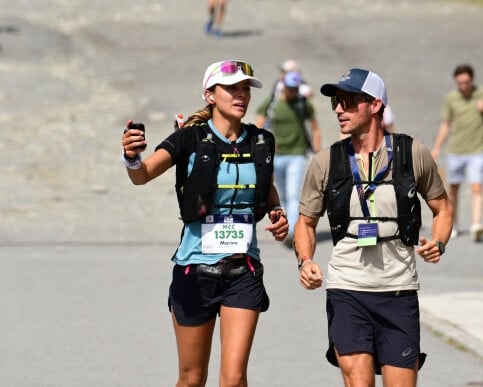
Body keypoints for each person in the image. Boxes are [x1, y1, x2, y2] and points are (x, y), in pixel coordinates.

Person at [121, 60, 289, 387]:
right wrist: (131, 157)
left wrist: (277, 210)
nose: (241, 95)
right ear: (210, 95)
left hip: (244, 272)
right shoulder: (189, 139)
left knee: (234, 378)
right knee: (191, 378)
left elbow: (265, 183)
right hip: (194, 271)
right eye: (232, 88)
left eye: (245, 89)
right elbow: (142, 176)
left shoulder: (261, 141)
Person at [293, 68, 453, 387]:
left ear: (375, 105)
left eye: (348, 101)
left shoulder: (412, 154)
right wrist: (306, 260)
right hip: (347, 288)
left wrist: (439, 241)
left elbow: (443, 208)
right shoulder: (326, 162)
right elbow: (306, 223)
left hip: (398, 290)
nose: (339, 109)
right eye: (336, 102)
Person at [431, 63, 483, 241]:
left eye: (466, 82)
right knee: (453, 188)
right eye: (460, 83)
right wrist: (437, 148)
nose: (464, 86)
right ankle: (453, 224)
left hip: (478, 150)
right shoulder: (451, 98)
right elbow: (445, 124)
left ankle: (476, 224)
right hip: (456, 150)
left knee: (477, 186)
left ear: (472, 80)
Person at [255, 70, 321, 247]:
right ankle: (285, 224)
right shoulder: (273, 103)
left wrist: (317, 151)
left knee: (293, 194)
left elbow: (314, 127)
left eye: (296, 88)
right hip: (276, 156)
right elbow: (259, 123)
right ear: (284, 85)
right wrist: (260, 146)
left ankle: (291, 231)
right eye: (290, 88)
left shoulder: (302, 103)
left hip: (297, 155)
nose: (293, 92)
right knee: (281, 194)